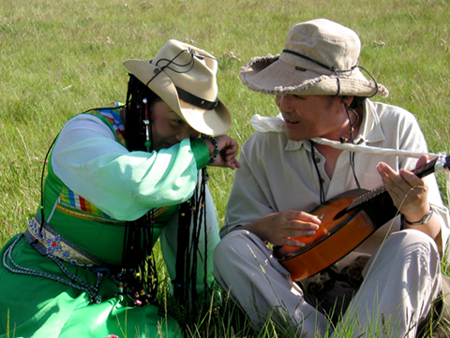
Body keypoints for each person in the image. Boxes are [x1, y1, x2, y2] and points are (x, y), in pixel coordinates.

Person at [213, 19, 450, 337]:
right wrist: (265, 227)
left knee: (413, 244)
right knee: (231, 248)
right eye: (281, 92)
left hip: (386, 293)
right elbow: (237, 233)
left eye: (298, 95)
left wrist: (418, 210)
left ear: (344, 98)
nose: (284, 105)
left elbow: (436, 245)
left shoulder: (397, 128)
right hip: (300, 300)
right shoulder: (264, 146)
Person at [0, 39, 240, 338]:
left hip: (113, 295)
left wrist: (206, 311)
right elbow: (132, 184)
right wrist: (202, 151)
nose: (182, 139)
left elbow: (196, 251)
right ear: (142, 103)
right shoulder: (85, 132)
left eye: (195, 132)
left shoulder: (181, 166)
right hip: (41, 278)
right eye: (175, 122)